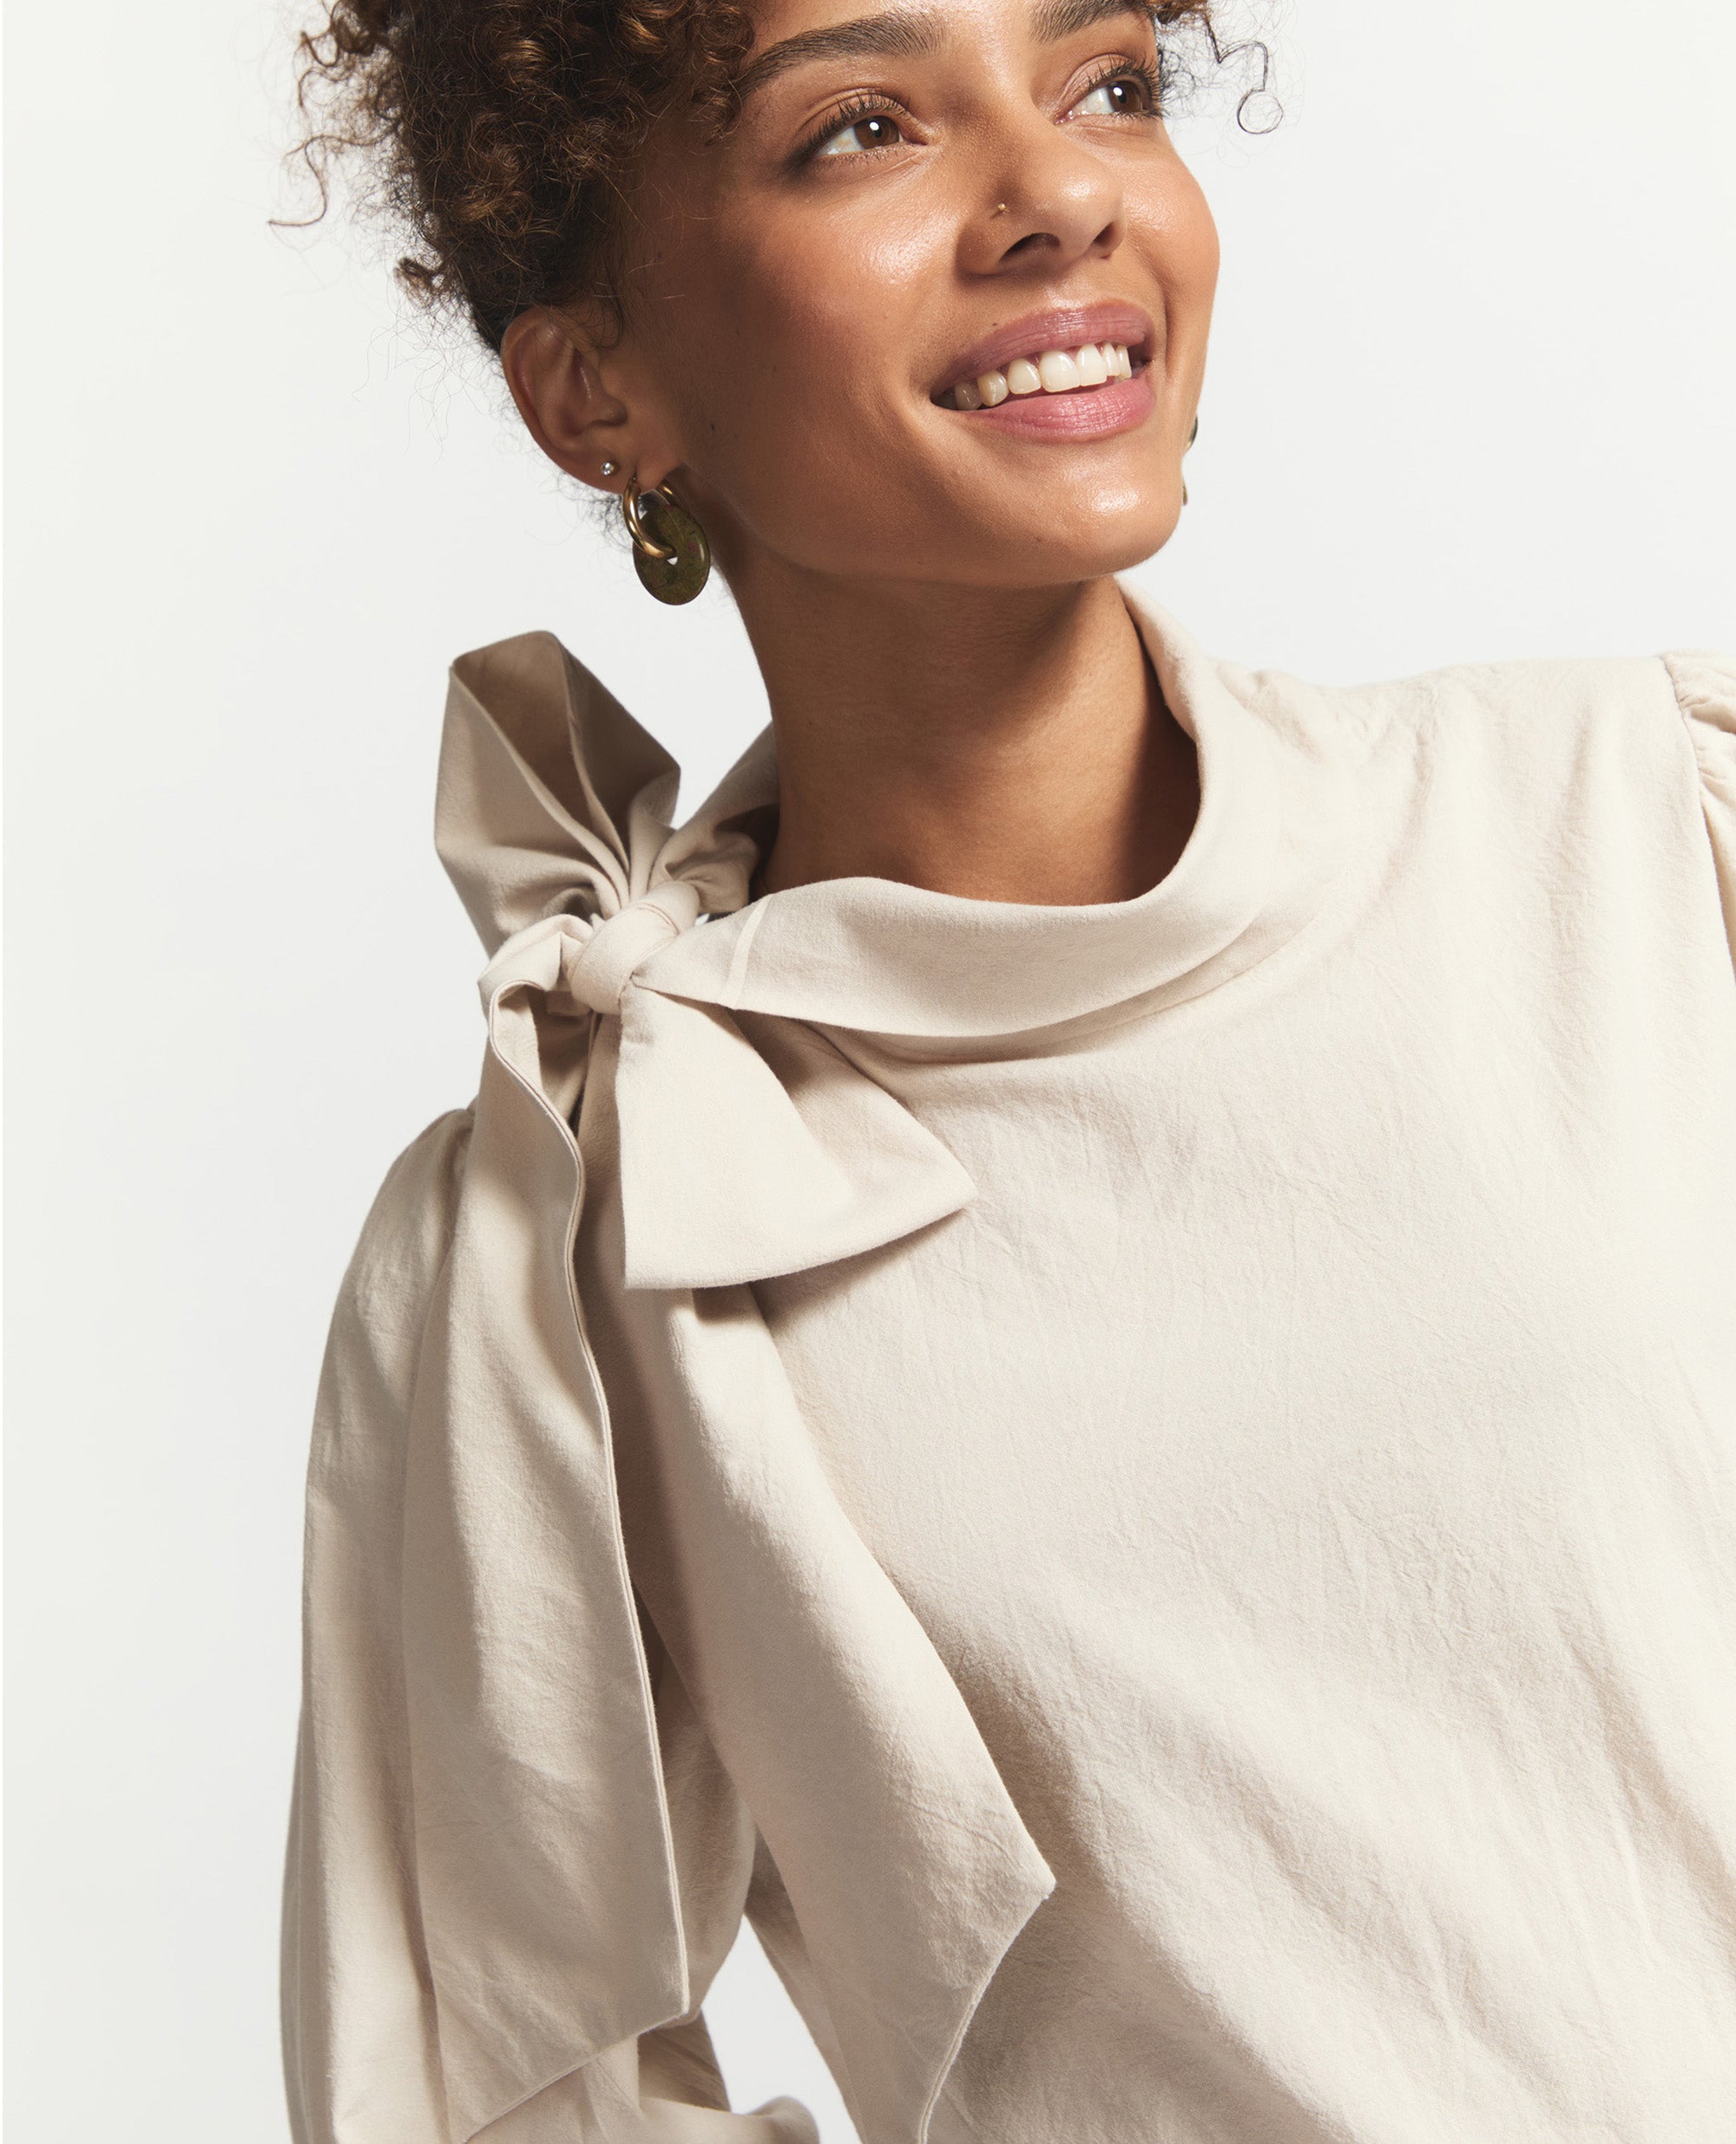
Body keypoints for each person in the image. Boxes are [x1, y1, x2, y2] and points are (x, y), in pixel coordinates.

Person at [279, 3, 1736, 2141]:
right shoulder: (572, 1231)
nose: (1059, 191)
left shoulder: (1647, 826)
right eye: (862, 128)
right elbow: (481, 2085)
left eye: (1108, 84)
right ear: (596, 389)